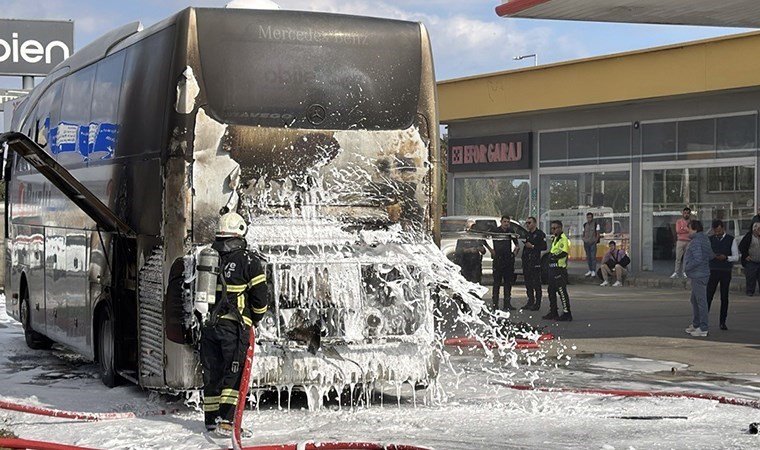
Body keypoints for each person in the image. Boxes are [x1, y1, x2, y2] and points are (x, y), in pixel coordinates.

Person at [201, 212, 268, 436]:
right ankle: (227, 422)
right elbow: (260, 300)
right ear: (241, 232)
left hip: (208, 326)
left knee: (212, 373)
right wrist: (255, 319)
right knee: (234, 373)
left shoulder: (207, 256)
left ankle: (211, 420)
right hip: (234, 328)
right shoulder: (249, 260)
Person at [706, 219, 739, 331]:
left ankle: (722, 322)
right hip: (713, 269)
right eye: (715, 231)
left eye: (719, 231)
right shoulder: (709, 240)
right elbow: (705, 254)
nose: (717, 234)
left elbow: (736, 256)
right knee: (708, 296)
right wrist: (713, 256)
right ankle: (704, 320)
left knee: (724, 297)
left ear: (723, 228)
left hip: (725, 270)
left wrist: (726, 258)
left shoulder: (731, 239)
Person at [683, 220, 713, 337]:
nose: (687, 231)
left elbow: (698, 258)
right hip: (703, 273)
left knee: (701, 301)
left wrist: (687, 267)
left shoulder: (695, 241)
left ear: (695, 229)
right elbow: (710, 255)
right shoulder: (705, 239)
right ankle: (696, 324)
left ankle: (703, 327)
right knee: (695, 300)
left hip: (698, 274)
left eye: (689, 228)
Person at [487, 215, 519, 311]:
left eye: (508, 222)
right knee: (497, 283)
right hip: (498, 259)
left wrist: (514, 253)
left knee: (508, 283)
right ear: (501, 222)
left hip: (508, 260)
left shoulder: (510, 231)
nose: (506, 224)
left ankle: (507, 303)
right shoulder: (495, 231)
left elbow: (517, 244)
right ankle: (495, 304)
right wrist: (491, 250)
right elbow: (483, 238)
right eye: (504, 222)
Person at [543, 220, 572, 321]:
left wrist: (554, 257)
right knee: (551, 290)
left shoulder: (563, 239)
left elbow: (564, 253)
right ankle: (553, 311)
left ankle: (567, 313)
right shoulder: (555, 238)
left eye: (555, 228)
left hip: (559, 269)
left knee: (561, 291)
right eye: (552, 228)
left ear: (560, 228)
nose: (553, 230)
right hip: (552, 268)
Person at [521, 216, 546, 311]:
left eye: (529, 223)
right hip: (527, 261)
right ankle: (530, 301)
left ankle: (537, 303)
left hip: (535, 261)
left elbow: (543, 246)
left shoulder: (540, 234)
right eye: (526, 223)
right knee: (528, 283)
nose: (527, 225)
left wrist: (533, 246)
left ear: (535, 223)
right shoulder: (528, 234)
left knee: (536, 283)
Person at [454, 219, 487, 283]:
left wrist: (481, 249)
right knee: (466, 283)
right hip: (465, 264)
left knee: (476, 283)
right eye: (469, 228)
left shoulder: (478, 238)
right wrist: (469, 250)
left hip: (476, 265)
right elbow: (458, 250)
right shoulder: (463, 237)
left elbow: (483, 251)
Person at [739, 222, 760, 296]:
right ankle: (750, 291)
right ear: (754, 230)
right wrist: (746, 255)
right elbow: (741, 246)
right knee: (751, 277)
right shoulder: (749, 236)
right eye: (758, 229)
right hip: (751, 262)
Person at [671, 207, 692, 279]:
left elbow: (691, 232)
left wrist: (683, 228)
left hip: (688, 241)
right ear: (682, 213)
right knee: (678, 257)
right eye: (685, 213)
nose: (686, 215)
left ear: (689, 214)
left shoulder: (691, 222)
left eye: (687, 213)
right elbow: (678, 231)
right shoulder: (679, 221)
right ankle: (676, 272)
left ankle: (684, 272)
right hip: (680, 241)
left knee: (686, 258)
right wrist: (687, 229)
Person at [582, 212, 600, 277]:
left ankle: (593, 270)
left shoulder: (595, 224)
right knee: (588, 257)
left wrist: (595, 240)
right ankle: (589, 270)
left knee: (593, 257)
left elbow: (598, 233)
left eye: (590, 217)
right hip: (586, 243)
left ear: (592, 217)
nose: (589, 219)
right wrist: (584, 239)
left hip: (592, 243)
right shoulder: (584, 225)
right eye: (588, 217)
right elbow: (583, 233)